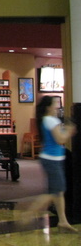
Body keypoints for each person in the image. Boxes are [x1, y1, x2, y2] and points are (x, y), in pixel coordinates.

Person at [22, 96, 77, 233]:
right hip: (53, 160)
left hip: (51, 159)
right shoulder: (52, 120)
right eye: (54, 104)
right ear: (48, 107)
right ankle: (27, 214)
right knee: (54, 192)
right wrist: (69, 130)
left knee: (59, 192)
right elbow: (60, 139)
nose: (57, 107)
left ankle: (63, 221)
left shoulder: (46, 120)